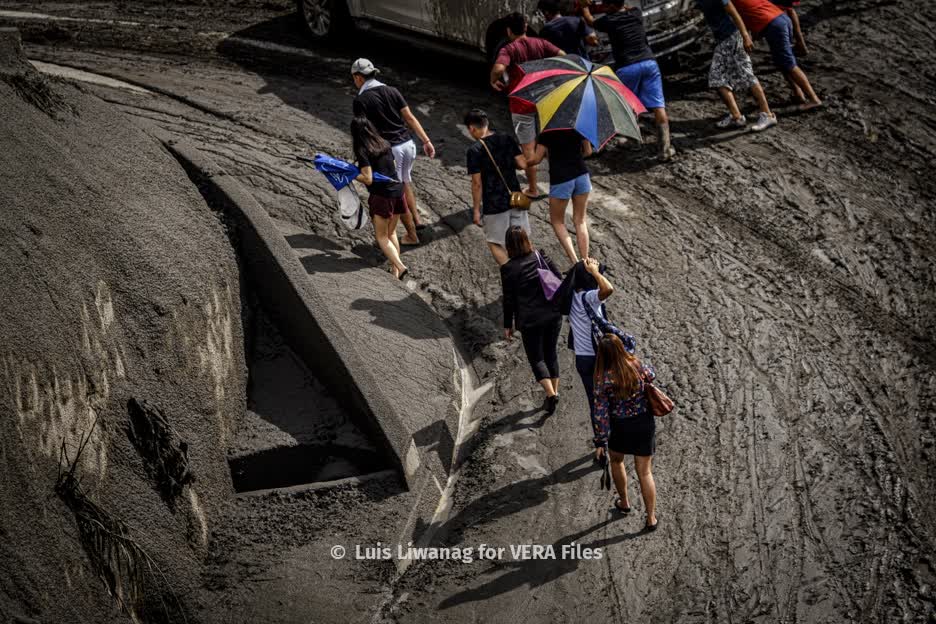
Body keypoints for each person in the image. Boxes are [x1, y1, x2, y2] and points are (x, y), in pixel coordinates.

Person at [351, 58, 435, 247]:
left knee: (396, 192)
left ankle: (412, 234)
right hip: (408, 144)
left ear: (358, 77)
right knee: (404, 183)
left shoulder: (361, 100)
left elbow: (363, 132)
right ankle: (417, 220)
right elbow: (410, 118)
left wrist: (362, 157)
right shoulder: (393, 90)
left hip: (390, 150)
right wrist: (426, 141)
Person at [580, 0, 676, 160]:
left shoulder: (609, 21)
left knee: (626, 107)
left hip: (627, 66)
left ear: (612, 6)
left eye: (606, 5)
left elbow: (590, 21)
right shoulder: (636, 13)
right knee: (659, 106)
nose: (604, 8)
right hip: (649, 63)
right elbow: (624, 7)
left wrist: (584, 6)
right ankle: (665, 150)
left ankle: (634, 141)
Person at [490, 12, 566, 198]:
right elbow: (563, 55)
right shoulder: (541, 43)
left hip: (521, 105)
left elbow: (499, 68)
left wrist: (493, 80)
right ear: (525, 26)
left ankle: (532, 188)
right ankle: (558, 184)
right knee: (550, 144)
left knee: (528, 149)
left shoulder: (508, 49)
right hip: (544, 101)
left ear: (509, 30)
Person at [560, 258, 636, 435]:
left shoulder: (570, 297)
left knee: (594, 401)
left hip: (582, 359)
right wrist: (594, 271)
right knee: (614, 397)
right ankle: (616, 434)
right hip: (600, 357)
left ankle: (600, 441)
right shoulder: (590, 297)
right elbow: (608, 289)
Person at [592, 334, 659, 531]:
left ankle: (624, 502)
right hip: (643, 423)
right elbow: (651, 374)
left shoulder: (602, 378)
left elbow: (600, 413)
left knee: (616, 461)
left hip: (619, 427)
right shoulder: (635, 365)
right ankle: (651, 518)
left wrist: (600, 441)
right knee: (645, 472)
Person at [500, 226, 563, 413]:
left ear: (508, 246)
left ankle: (550, 394)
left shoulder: (508, 269)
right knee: (551, 353)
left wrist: (507, 324)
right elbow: (558, 278)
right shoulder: (540, 256)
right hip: (552, 314)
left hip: (529, 321)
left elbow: (508, 300)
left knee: (537, 358)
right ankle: (555, 392)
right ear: (527, 240)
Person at [695, 0, 778, 131]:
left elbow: (733, 12)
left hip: (732, 37)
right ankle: (736, 117)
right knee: (718, 79)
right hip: (723, 40)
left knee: (746, 75)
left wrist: (745, 35)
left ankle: (767, 114)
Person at [464, 109, 531, 266]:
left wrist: (475, 210)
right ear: (486, 123)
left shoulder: (474, 150)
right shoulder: (506, 138)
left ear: (472, 128)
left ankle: (513, 275)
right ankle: (531, 271)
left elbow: (477, 184)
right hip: (515, 197)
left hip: (494, 204)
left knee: (495, 242)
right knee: (522, 240)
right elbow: (522, 164)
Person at [731, 0, 821, 109]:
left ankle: (814, 99)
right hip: (780, 18)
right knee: (781, 62)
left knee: (789, 64)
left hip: (774, 25)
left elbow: (741, 19)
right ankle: (799, 94)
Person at [350, 116, 409, 280]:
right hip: (398, 190)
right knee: (392, 233)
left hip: (383, 196)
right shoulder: (384, 143)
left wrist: (353, 174)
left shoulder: (362, 149)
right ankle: (396, 272)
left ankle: (401, 267)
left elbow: (367, 178)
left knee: (382, 237)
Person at [526, 130, 593, 264]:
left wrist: (522, 162)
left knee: (558, 222)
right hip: (582, 175)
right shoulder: (578, 126)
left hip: (561, 179)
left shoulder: (547, 133)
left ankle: (575, 262)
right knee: (580, 221)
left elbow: (536, 159)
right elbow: (588, 152)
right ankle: (586, 262)